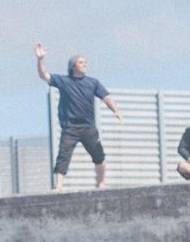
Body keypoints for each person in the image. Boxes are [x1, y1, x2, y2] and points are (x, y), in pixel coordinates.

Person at [36, 43, 124, 190]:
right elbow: (44, 75)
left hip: (88, 126)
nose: (85, 65)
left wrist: (115, 110)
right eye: (81, 62)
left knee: (98, 155)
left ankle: (101, 183)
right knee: (63, 156)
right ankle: (58, 186)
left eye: (85, 62)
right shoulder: (64, 81)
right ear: (73, 66)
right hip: (70, 127)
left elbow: (106, 97)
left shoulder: (93, 82)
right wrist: (41, 59)